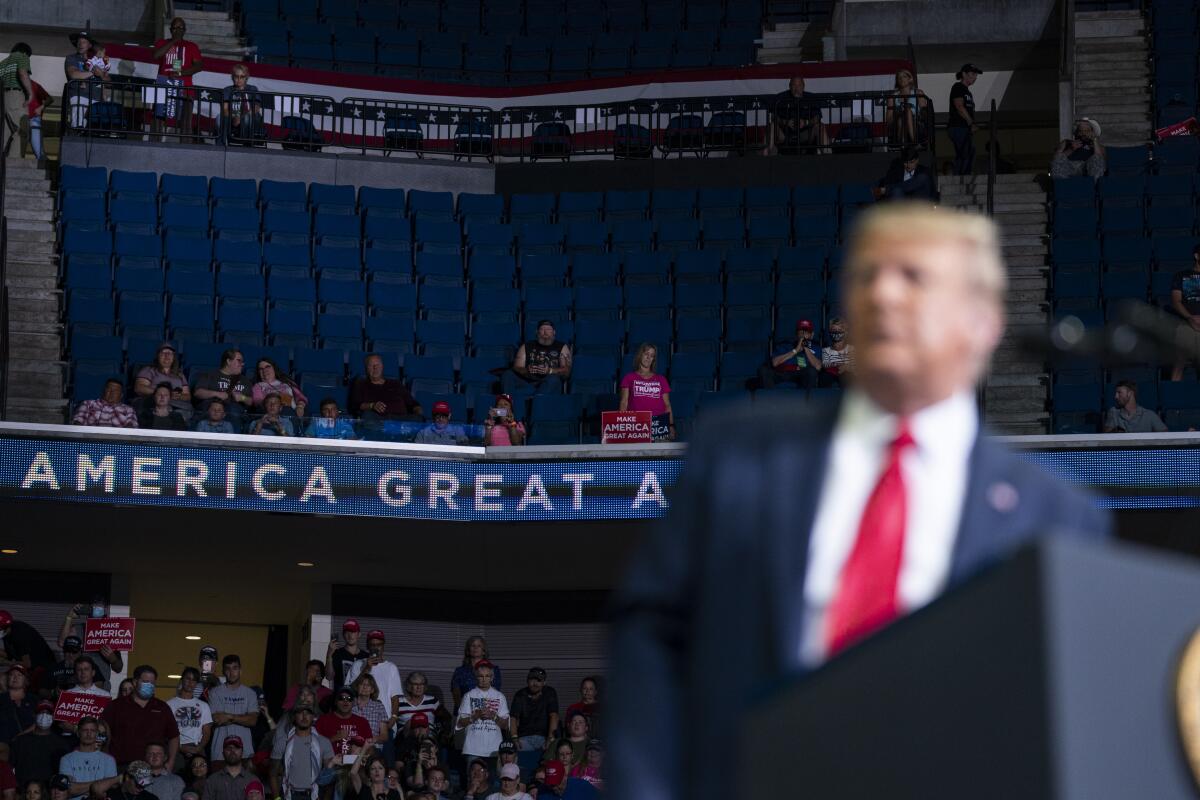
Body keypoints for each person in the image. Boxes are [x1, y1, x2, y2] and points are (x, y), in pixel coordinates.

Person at [606, 202, 1114, 800]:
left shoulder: (1055, 517)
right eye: (865, 275)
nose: (883, 295)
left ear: (982, 321)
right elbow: (651, 643)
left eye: (913, 277)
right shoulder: (736, 456)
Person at [101, 666, 179, 769]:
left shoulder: (162, 707)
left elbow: (174, 736)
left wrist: (171, 761)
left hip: (153, 768)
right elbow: (103, 732)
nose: (149, 685)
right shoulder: (116, 706)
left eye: (152, 683)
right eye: (146, 682)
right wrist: (105, 758)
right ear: (135, 682)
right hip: (121, 766)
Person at [151, 18, 203, 139]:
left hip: (185, 89)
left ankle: (185, 152)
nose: (178, 30)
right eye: (175, 27)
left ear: (184, 30)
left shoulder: (191, 46)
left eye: (180, 27)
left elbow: (199, 66)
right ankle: (153, 149)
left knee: (185, 125)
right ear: (170, 30)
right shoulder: (162, 43)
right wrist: (174, 41)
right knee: (158, 121)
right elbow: (156, 55)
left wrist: (181, 73)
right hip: (164, 86)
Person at [268, 705, 333, 800]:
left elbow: (329, 777)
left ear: (313, 717)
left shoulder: (323, 742)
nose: (304, 716)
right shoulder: (283, 742)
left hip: (315, 795)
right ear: (294, 717)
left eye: (308, 713)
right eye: (300, 713)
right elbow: (272, 774)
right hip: (290, 795)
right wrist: (277, 798)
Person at [206, 656, 258, 767]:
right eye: (228, 669)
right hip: (220, 752)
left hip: (245, 752)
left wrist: (229, 716)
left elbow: (252, 721)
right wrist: (243, 717)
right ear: (223, 671)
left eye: (235, 668)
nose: (231, 672)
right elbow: (217, 719)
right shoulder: (214, 693)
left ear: (240, 670)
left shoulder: (250, 694)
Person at [343, 633, 401, 731]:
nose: (376, 647)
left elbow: (395, 697)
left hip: (384, 723)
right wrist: (367, 668)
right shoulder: (358, 664)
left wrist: (393, 718)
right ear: (367, 647)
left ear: (383, 646)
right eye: (372, 645)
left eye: (379, 644)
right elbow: (350, 690)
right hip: (359, 720)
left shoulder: (391, 667)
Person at [618, 343, 675, 441]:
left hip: (658, 426)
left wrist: (671, 425)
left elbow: (667, 405)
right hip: (637, 426)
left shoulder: (661, 379)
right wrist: (621, 426)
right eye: (646, 354)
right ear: (640, 355)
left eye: (652, 356)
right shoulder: (629, 378)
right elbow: (624, 402)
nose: (648, 358)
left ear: (653, 360)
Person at [501, 321, 572, 396]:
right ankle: (507, 403)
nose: (545, 332)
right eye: (542, 329)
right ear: (537, 332)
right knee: (507, 374)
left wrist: (549, 371)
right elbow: (517, 367)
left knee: (554, 379)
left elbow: (566, 371)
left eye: (549, 329)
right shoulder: (526, 346)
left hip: (547, 380)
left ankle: (536, 404)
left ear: (554, 332)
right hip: (527, 380)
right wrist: (527, 370)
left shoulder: (562, 347)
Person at [456, 662, 509, 762]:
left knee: (492, 778)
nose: (484, 679)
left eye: (487, 676)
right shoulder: (468, 696)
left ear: (492, 678)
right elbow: (460, 723)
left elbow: (506, 725)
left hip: (494, 749)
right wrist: (475, 716)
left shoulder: (499, 696)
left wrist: (493, 716)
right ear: (475, 677)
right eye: (481, 676)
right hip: (473, 750)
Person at [348, 354, 423, 422]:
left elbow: (413, 404)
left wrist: (418, 413)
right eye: (371, 365)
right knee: (367, 416)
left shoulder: (395, 383)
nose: (375, 368)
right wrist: (372, 405)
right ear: (366, 368)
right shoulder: (361, 384)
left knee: (418, 418)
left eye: (378, 365)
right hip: (379, 421)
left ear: (382, 366)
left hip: (401, 421)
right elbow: (355, 406)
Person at [11, 701, 69, 788]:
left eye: (48, 713)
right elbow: (10, 768)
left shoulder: (62, 743)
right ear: (34, 715)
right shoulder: (20, 741)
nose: (44, 716)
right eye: (41, 713)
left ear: (53, 717)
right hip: (24, 791)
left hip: (49, 791)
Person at [59, 717, 117, 800]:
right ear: (78, 733)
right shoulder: (66, 759)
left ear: (96, 734)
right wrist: (99, 785)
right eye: (85, 730)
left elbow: (108, 790)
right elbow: (69, 789)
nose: (89, 734)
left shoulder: (109, 760)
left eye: (92, 731)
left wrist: (79, 787)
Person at [769, 76, 828, 155]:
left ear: (803, 86)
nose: (796, 88)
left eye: (799, 85)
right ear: (790, 86)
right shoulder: (781, 98)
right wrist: (785, 122)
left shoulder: (810, 98)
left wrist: (806, 122)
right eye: (794, 85)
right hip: (785, 133)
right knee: (772, 126)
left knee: (821, 126)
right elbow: (773, 116)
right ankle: (767, 157)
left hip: (806, 133)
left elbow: (817, 117)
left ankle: (827, 155)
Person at [166, 670, 212, 771]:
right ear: (182, 680)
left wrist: (199, 748)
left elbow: (207, 732)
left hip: (197, 747)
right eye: (188, 678)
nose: (190, 682)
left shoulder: (203, 706)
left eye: (194, 680)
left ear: (196, 684)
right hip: (177, 749)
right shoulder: (169, 704)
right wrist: (180, 747)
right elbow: (166, 731)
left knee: (198, 781)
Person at [759, 320, 820, 391]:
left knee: (811, 372)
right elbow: (775, 363)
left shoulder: (816, 348)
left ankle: (808, 400)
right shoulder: (785, 346)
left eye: (806, 332)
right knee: (763, 370)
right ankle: (770, 399)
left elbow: (818, 367)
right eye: (801, 332)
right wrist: (795, 351)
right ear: (796, 334)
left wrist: (806, 348)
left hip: (801, 374)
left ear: (812, 335)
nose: (803, 335)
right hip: (783, 372)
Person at [63, 32, 107, 130]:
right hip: (79, 97)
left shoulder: (99, 60)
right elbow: (74, 74)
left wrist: (101, 74)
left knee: (95, 130)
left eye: (83, 42)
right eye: (79, 42)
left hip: (97, 100)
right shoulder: (71, 58)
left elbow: (108, 80)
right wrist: (93, 72)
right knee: (79, 128)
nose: (80, 44)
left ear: (89, 45)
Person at [192, 351, 253, 420]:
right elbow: (198, 393)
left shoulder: (245, 380)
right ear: (228, 361)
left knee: (234, 411)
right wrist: (217, 394)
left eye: (242, 361)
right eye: (239, 361)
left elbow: (251, 402)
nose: (242, 364)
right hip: (211, 410)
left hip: (234, 413)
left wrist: (242, 397)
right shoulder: (210, 375)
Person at [133, 344, 191, 416]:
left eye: (169, 353)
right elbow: (139, 388)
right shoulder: (149, 370)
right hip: (155, 401)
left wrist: (178, 396)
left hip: (176, 403)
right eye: (163, 353)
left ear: (173, 358)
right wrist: (165, 394)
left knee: (188, 410)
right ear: (158, 356)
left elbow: (187, 395)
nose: (167, 355)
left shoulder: (180, 375)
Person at [509, 668, 557, 755]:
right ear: (527, 681)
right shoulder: (520, 694)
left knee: (555, 750)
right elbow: (513, 718)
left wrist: (550, 739)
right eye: (532, 680)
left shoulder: (550, 692)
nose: (534, 683)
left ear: (544, 682)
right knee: (511, 752)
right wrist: (514, 738)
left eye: (538, 680)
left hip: (544, 738)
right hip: (524, 738)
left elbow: (554, 715)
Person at [1170, 244, 1200, 382]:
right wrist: (1190, 318)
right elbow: (1176, 301)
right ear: (1197, 256)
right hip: (1186, 323)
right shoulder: (1181, 276)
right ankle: (1171, 398)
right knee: (1179, 362)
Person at [0, 610, 58, 681]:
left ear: (5, 627)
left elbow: (27, 664)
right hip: (31, 668)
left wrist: (5, 662)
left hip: (42, 669)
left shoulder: (19, 635)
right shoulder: (7, 634)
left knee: (3, 679)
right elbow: (10, 655)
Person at [312, 689, 371, 758]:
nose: (345, 701)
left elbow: (371, 749)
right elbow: (314, 747)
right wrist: (335, 738)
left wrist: (362, 751)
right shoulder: (323, 720)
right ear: (335, 702)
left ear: (353, 703)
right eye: (341, 698)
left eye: (349, 699)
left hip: (357, 764)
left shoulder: (362, 722)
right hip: (331, 764)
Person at [450, 637, 502, 711]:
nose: (475, 648)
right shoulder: (460, 671)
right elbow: (456, 694)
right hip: (463, 711)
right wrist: (464, 711)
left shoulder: (493, 669)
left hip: (487, 712)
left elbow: (495, 692)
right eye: (473, 645)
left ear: (484, 651)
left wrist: (483, 712)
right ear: (468, 650)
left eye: (479, 646)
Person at [947, 63, 981, 176]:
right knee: (966, 153)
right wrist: (971, 123)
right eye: (972, 74)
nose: (975, 77)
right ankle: (959, 178)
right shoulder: (958, 87)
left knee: (967, 152)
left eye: (976, 74)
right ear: (964, 74)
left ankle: (960, 176)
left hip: (963, 128)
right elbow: (959, 106)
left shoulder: (967, 91)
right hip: (958, 127)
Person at [0, 43, 31, 158]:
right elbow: (23, 74)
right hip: (16, 95)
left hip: (4, 98)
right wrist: (30, 93)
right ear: (25, 52)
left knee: (6, 131)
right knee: (21, 130)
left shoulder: (2, 63)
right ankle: (14, 160)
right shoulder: (22, 57)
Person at [884, 68, 930, 147]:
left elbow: (924, 112)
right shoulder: (893, 96)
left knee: (907, 111)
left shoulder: (918, 93)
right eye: (899, 77)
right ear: (897, 81)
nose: (902, 79)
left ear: (910, 79)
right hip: (898, 123)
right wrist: (898, 112)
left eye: (904, 76)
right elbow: (889, 120)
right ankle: (913, 142)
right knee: (902, 116)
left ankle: (906, 143)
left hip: (916, 122)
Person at [1102, 380, 1167, 433]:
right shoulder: (1114, 412)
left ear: (1130, 393)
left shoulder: (1149, 415)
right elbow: (1106, 436)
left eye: (1119, 392)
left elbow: (1165, 435)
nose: (1116, 396)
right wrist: (1115, 432)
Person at [220, 66, 263, 145]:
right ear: (232, 77)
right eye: (236, 76)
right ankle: (221, 144)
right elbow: (225, 109)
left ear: (246, 77)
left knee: (246, 118)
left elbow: (256, 108)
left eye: (242, 77)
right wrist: (233, 117)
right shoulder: (227, 90)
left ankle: (246, 143)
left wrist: (241, 117)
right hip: (233, 116)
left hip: (251, 117)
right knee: (219, 118)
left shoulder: (253, 89)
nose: (239, 79)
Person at [346, 676, 390, 750]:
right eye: (362, 684)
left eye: (368, 685)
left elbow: (384, 736)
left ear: (372, 690)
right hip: (351, 746)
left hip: (372, 746)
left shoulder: (378, 706)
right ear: (357, 687)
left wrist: (371, 740)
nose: (365, 687)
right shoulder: (348, 705)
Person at [71, 380, 137, 428]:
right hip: (91, 441)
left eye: (116, 391)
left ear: (121, 395)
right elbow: (77, 423)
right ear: (104, 391)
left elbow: (132, 429)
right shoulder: (88, 404)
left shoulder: (129, 409)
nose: (111, 392)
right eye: (109, 389)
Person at [325, 621, 366, 692]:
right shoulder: (337, 653)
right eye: (347, 632)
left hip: (360, 698)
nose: (350, 635)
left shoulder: (365, 656)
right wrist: (329, 655)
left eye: (353, 632)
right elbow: (329, 677)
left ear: (359, 634)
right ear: (343, 635)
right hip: (341, 697)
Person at [817, 316, 854, 387]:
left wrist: (846, 367)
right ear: (830, 332)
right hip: (831, 375)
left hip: (847, 375)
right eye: (834, 330)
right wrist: (837, 365)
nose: (837, 332)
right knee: (824, 377)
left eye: (839, 329)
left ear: (846, 332)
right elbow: (825, 364)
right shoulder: (826, 350)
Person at [25, 77, 50, 162]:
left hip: (34, 118)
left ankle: (42, 160)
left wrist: (41, 107)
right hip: (23, 119)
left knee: (38, 151)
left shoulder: (34, 85)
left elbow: (50, 99)